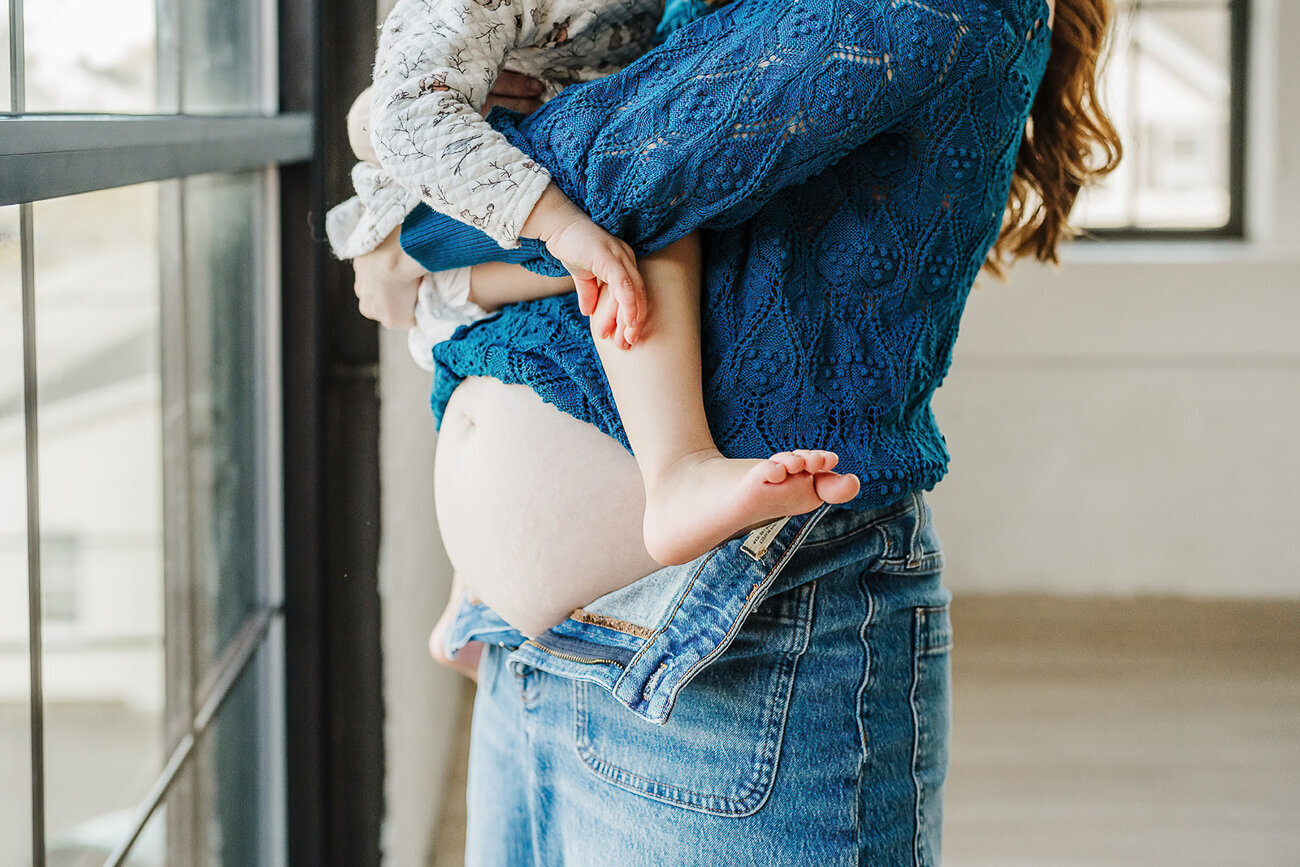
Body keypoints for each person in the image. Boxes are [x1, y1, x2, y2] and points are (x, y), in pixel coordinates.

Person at [351, 0, 1122, 862]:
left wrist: (405, 202)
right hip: (525, 657)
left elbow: (618, 158)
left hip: (736, 657)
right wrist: (444, 225)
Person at [327, 0, 861, 577]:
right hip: (452, 203)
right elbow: (402, 120)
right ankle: (678, 469)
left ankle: (468, 605)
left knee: (641, 204)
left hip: (481, 243)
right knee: (645, 211)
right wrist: (558, 223)